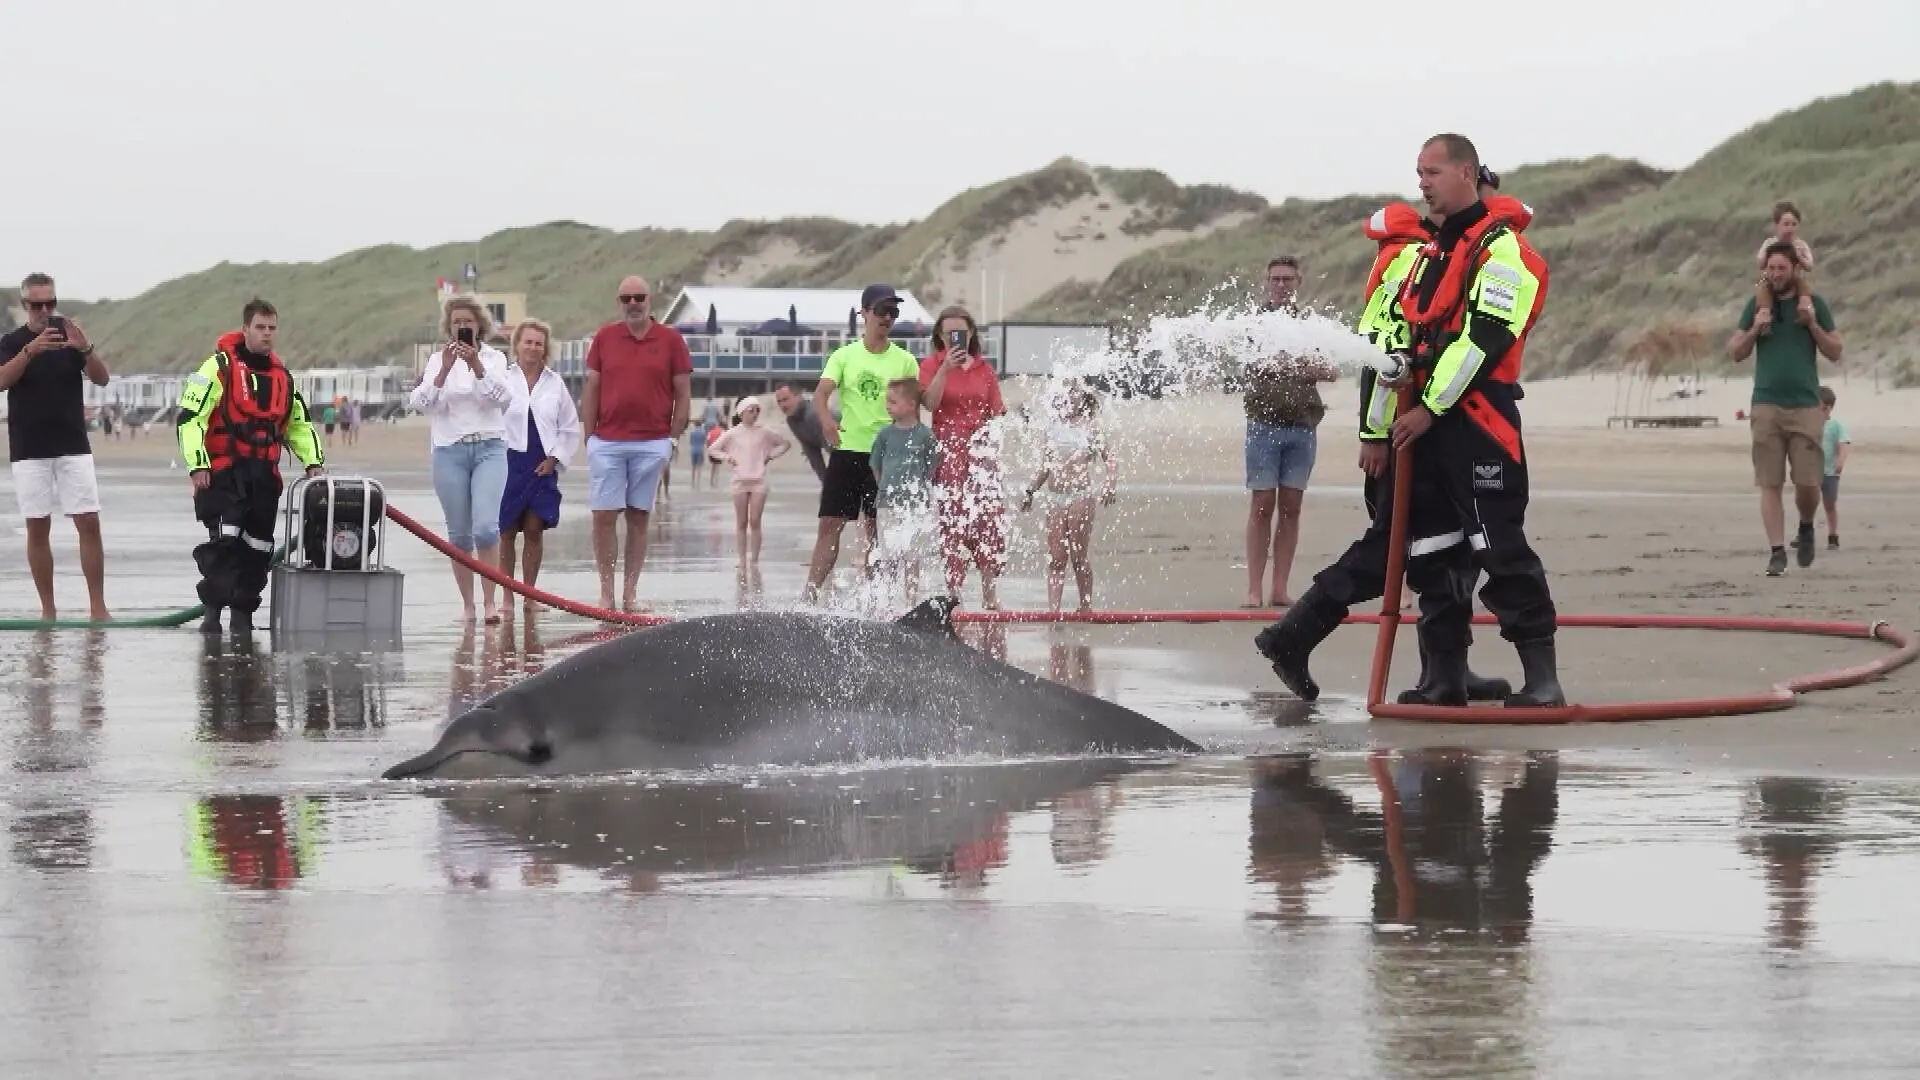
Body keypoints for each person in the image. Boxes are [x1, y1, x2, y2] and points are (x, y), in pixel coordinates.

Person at [1256, 133, 1564, 708]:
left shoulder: (1503, 255)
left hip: (1474, 425)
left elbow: (1485, 340)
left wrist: (1430, 410)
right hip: (1419, 427)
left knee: (1498, 546)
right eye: (1418, 173)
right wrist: (1383, 428)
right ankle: (1442, 676)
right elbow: (1388, 346)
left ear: (1470, 176)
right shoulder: (1423, 256)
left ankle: (1541, 679)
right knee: (1428, 553)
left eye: (1432, 172)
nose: (1421, 182)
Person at [1351, 201, 1512, 705]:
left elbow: (1468, 345)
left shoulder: (1433, 259)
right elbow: (1385, 362)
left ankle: (1449, 672)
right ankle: (1295, 636)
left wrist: (1400, 422)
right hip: (1415, 430)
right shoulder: (1413, 263)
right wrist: (1377, 433)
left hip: (1440, 424)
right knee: (1412, 550)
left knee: (1449, 551)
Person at [176, 298, 326, 635]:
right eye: (260, 327)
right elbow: (190, 418)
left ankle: (242, 618)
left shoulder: (283, 378)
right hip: (223, 474)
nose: (267, 334)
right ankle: (212, 617)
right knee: (224, 545)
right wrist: (198, 464)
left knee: (257, 550)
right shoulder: (217, 367)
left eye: (272, 328)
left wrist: (313, 462)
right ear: (245, 329)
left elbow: (299, 425)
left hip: (264, 477)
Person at [0, 272, 112, 622]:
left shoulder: (70, 337)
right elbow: (2, 380)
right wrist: (30, 351)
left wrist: (85, 348)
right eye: (38, 304)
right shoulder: (12, 340)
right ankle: (48, 610)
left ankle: (98, 607)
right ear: (25, 305)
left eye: (51, 303)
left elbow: (102, 378)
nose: (45, 310)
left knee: (89, 523)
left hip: (72, 444)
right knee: (37, 527)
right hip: (29, 447)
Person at [578, 274, 692, 612]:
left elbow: (684, 394)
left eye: (638, 297)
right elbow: (592, 389)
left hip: (653, 441)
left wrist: (672, 438)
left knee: (639, 518)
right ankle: (606, 592)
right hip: (607, 441)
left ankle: (629, 594)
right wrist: (589, 436)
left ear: (649, 300)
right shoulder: (604, 338)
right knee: (603, 517)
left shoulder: (671, 340)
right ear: (618, 302)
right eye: (626, 298)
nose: (633, 304)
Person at [802, 285, 922, 604]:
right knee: (830, 525)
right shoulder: (844, 356)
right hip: (847, 451)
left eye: (893, 312)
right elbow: (820, 394)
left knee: (873, 529)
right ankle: (809, 594)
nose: (887, 317)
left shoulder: (906, 361)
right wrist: (827, 421)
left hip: (887, 457)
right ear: (864, 313)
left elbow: (914, 409)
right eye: (881, 310)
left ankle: (871, 600)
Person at [1729, 243, 1843, 575]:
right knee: (1770, 482)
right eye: (1771, 269)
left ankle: (1806, 525)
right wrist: (1755, 329)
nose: (1776, 274)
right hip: (1765, 404)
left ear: (1795, 269)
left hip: (1806, 405)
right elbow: (1735, 351)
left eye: (1782, 268)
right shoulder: (1756, 304)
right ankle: (1777, 551)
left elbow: (1835, 350)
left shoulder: (1814, 304)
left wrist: (1812, 325)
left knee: (1808, 485)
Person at [1242, 256, 1341, 609]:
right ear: (1266, 282)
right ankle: (1254, 588)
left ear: (1298, 281)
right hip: (1263, 424)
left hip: (1302, 425)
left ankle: (1279, 588)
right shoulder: (1255, 321)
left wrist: (1298, 364)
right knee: (1261, 504)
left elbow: (1331, 370)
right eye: (1275, 279)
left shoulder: (1310, 324)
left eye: (1287, 279)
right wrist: (1285, 361)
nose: (1281, 285)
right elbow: (1250, 362)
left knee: (1292, 506)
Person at [410, 295, 514, 624]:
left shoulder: (495, 359)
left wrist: (476, 366)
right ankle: (468, 605)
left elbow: (502, 399)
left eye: (468, 321)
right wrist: (443, 370)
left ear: (479, 325)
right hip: (449, 451)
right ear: (449, 327)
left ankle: (489, 603)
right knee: (459, 535)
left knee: (485, 528)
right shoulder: (437, 360)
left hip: (489, 448)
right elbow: (423, 403)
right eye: (456, 322)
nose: (462, 327)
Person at [920, 304, 1009, 610]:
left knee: (987, 520)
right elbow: (929, 405)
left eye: (962, 332)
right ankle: (954, 593)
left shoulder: (985, 369)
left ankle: (989, 594)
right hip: (948, 448)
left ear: (971, 334)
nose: (956, 338)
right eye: (950, 333)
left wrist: (995, 435)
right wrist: (946, 368)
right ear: (941, 336)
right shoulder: (931, 365)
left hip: (981, 450)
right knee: (953, 520)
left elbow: (998, 411)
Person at [498, 318, 581, 601]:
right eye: (528, 342)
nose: (533, 348)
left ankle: (529, 595)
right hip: (507, 463)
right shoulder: (503, 379)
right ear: (517, 346)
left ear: (545, 349)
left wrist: (555, 459)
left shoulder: (555, 384)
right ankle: (507, 596)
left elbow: (569, 428)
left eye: (538, 343)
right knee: (506, 530)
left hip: (542, 464)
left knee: (534, 528)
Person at [1020, 380, 1117, 614]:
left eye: (1074, 392)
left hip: (1080, 497)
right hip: (1055, 498)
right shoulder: (1051, 428)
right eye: (1065, 393)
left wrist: (1110, 484)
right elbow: (1045, 467)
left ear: (1082, 398)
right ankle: (1054, 611)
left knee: (1079, 557)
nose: (1069, 398)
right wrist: (1030, 491)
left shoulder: (1091, 427)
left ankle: (1085, 607)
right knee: (1056, 558)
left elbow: (1110, 457)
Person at [869, 378, 940, 603]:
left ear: (911, 405)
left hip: (915, 505)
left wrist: (920, 488)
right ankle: (888, 599)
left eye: (892, 402)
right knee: (889, 554)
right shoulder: (884, 434)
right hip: (888, 503)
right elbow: (875, 465)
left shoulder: (925, 435)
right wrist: (885, 488)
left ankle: (911, 599)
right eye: (887, 402)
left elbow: (932, 464)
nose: (887, 406)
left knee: (912, 555)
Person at [707, 394, 792, 568]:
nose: (754, 414)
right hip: (739, 482)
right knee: (741, 522)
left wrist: (769, 456)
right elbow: (713, 449)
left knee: (755, 520)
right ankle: (742, 559)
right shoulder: (732, 433)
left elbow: (785, 444)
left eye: (757, 410)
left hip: (758, 481)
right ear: (741, 413)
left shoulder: (764, 431)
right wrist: (727, 457)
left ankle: (754, 559)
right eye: (751, 410)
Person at [1756, 200, 1816, 325]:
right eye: (1786, 224)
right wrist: (1769, 254)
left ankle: (1805, 314)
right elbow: (1760, 264)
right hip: (1770, 280)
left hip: (1795, 279)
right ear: (1777, 225)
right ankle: (1764, 319)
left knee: (1805, 289)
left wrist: (1800, 257)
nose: (1790, 228)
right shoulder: (1769, 243)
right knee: (1761, 289)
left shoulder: (1800, 245)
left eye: (1794, 224)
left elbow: (1809, 266)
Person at [774, 380, 832, 482]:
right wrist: (825, 482)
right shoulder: (792, 420)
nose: (783, 405)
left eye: (786, 399)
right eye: (779, 401)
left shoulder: (814, 415)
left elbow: (834, 450)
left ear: (798, 396)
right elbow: (812, 453)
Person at [1818, 385, 1849, 549]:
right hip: (1810, 471)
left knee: (1829, 504)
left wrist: (1840, 462)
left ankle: (1833, 534)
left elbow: (1844, 443)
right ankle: (1804, 532)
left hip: (1830, 472)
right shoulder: (1809, 425)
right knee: (1806, 502)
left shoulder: (1836, 425)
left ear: (1827, 408)